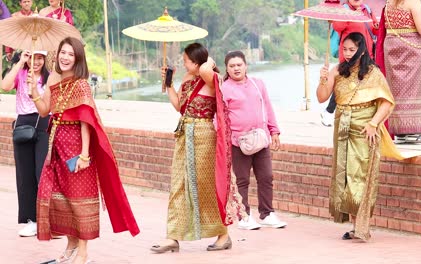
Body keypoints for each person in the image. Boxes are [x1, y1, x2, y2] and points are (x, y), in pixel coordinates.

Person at [30, 37, 140, 264]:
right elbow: (44, 111)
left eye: (70, 54)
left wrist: (84, 155)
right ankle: (70, 248)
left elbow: (86, 122)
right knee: (59, 200)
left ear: (77, 58)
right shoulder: (52, 78)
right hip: (56, 147)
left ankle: (83, 255)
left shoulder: (81, 84)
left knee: (79, 201)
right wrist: (34, 90)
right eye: (63, 52)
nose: (65, 57)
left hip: (76, 150)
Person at [151, 43, 245, 253]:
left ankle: (223, 234)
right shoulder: (187, 79)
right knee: (178, 184)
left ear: (196, 62)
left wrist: (207, 62)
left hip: (204, 137)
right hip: (185, 136)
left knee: (207, 186)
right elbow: (178, 107)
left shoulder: (210, 78)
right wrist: (169, 83)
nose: (183, 63)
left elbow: (204, 69)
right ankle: (172, 237)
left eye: (186, 60)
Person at [317, 32, 403, 241]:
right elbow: (322, 97)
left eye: (351, 50)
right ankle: (356, 225)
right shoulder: (337, 70)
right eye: (344, 49)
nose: (347, 54)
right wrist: (323, 79)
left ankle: (364, 226)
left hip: (365, 129)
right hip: (342, 126)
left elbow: (386, 101)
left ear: (362, 50)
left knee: (362, 176)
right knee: (345, 176)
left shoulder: (373, 72)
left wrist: (374, 123)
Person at [222, 51, 287, 230]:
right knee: (242, 180)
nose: (236, 68)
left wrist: (274, 131)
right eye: (232, 66)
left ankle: (267, 214)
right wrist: (224, 140)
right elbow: (219, 117)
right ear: (227, 69)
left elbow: (268, 107)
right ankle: (244, 217)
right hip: (238, 142)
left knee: (266, 177)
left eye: (239, 65)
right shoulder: (224, 88)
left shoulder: (257, 84)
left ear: (245, 66)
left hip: (260, 138)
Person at [2, 50, 50, 238]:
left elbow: (50, 105)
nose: (35, 62)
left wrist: (35, 90)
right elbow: (4, 86)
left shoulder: (50, 77)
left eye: (39, 58)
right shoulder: (21, 73)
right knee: (25, 174)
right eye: (32, 57)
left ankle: (47, 219)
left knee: (42, 173)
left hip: (44, 122)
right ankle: (32, 220)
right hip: (23, 124)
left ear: (45, 59)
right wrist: (20, 62)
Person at [375, 0, 421, 143]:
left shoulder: (389, 3)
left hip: (392, 46)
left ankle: (399, 132)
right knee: (413, 88)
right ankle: (412, 131)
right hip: (411, 48)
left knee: (395, 89)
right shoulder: (413, 3)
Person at [321, 0, 379, 127]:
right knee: (343, 84)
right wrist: (351, 16)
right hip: (349, 56)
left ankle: (364, 114)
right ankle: (330, 111)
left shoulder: (367, 10)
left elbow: (374, 30)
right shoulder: (344, 9)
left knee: (363, 84)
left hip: (366, 55)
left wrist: (377, 26)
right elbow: (338, 27)